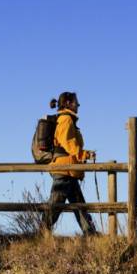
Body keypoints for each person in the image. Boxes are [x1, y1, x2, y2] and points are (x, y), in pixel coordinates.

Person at [43, 92, 97, 235]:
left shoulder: (66, 119)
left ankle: (90, 234)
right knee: (55, 206)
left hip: (69, 169)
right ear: (68, 103)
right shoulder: (66, 119)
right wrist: (83, 154)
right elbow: (68, 143)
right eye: (76, 103)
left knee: (79, 205)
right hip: (64, 169)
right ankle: (41, 232)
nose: (78, 105)